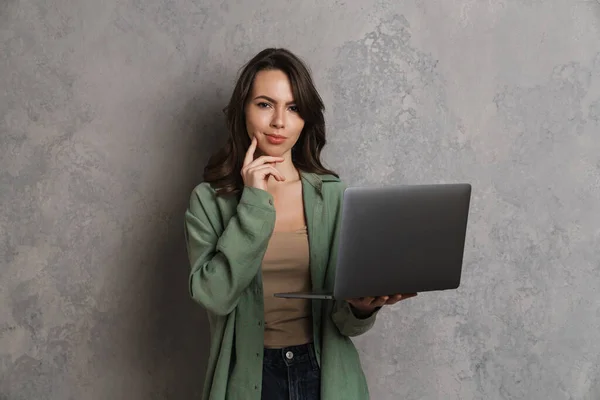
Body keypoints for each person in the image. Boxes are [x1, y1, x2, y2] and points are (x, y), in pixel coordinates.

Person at [184, 48, 417, 400]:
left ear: (305, 118)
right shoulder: (208, 200)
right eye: (265, 104)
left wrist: (362, 307)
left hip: (324, 377)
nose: (279, 121)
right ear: (242, 111)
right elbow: (214, 296)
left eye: (293, 108)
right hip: (251, 380)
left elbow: (345, 322)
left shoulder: (333, 196)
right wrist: (254, 203)